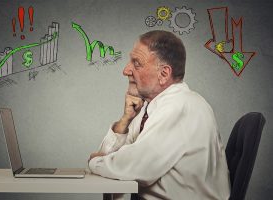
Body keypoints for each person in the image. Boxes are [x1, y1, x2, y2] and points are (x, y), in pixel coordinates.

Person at [88, 30, 230, 200]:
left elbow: (133, 167)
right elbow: (113, 166)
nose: (126, 70)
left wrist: (95, 162)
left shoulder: (180, 105)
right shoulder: (150, 108)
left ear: (163, 74)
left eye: (136, 63)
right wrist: (125, 120)